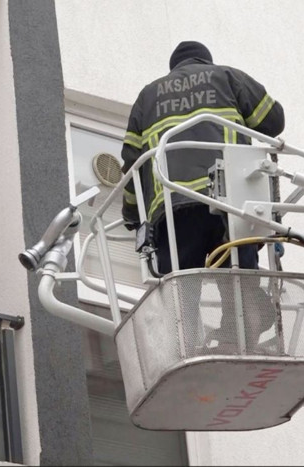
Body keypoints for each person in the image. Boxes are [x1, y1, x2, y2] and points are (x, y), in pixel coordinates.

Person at [120, 41, 285, 351]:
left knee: (182, 288)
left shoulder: (147, 96)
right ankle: (240, 335)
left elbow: (131, 162)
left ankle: (186, 347)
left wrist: (132, 215)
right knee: (238, 274)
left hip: (173, 211)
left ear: (174, 67)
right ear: (205, 60)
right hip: (231, 204)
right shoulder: (227, 77)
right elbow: (273, 120)